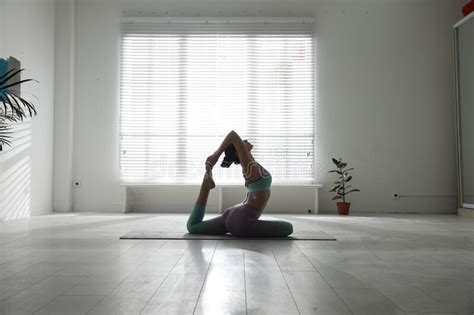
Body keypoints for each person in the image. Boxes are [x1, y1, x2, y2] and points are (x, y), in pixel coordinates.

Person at [186, 130, 293, 237]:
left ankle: (205, 188)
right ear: (238, 151)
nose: (245, 140)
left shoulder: (251, 166)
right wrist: (215, 156)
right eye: (242, 142)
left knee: (193, 226)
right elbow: (232, 135)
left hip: (231, 215)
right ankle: (206, 187)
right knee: (288, 228)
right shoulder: (250, 167)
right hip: (242, 220)